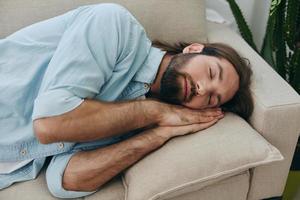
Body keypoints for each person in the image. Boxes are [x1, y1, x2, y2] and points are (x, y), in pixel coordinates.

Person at [0, 3, 253, 198]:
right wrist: (153, 112)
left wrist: (156, 136)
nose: (201, 88)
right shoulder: (114, 25)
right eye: (210, 73)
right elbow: (50, 125)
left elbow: (68, 179)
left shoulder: (137, 120)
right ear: (194, 49)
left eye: (211, 98)